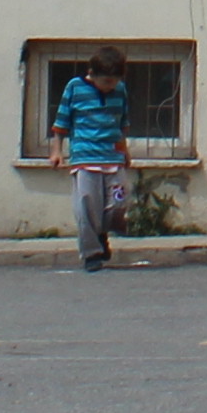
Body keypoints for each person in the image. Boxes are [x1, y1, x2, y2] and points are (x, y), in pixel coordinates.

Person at [55, 47, 135, 272]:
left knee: (119, 201)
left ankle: (102, 231)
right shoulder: (74, 87)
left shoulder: (120, 90)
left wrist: (125, 150)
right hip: (85, 158)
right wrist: (56, 151)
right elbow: (62, 121)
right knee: (87, 205)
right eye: (106, 81)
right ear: (92, 73)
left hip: (112, 157)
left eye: (115, 81)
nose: (110, 86)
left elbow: (122, 122)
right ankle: (91, 253)